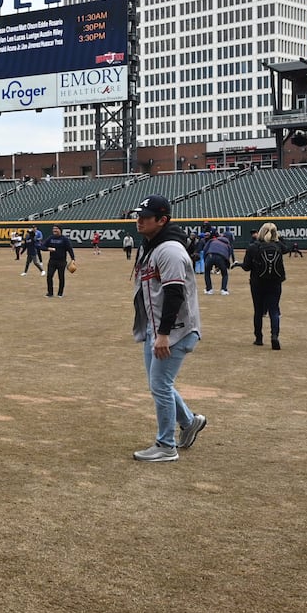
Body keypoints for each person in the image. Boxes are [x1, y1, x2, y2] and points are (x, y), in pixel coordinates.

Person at [129, 195, 207, 462]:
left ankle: (166, 445)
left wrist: (163, 335)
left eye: (145, 217)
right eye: (138, 215)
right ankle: (189, 421)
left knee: (160, 385)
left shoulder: (169, 250)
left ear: (162, 220)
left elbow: (175, 292)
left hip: (175, 331)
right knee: (158, 383)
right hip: (158, 328)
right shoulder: (151, 245)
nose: (139, 221)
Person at [238, 221, 287, 349]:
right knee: (274, 310)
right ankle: (274, 335)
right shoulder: (278, 246)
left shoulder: (253, 246)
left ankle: (258, 338)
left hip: (257, 283)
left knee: (258, 311)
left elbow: (246, 267)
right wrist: (278, 238)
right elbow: (287, 248)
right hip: (275, 282)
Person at [202, 230, 233, 295]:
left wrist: (205, 260)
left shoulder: (212, 241)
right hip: (221, 257)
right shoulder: (228, 245)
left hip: (209, 255)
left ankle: (209, 290)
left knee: (207, 273)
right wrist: (226, 266)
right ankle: (223, 290)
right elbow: (228, 256)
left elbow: (205, 249)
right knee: (225, 274)